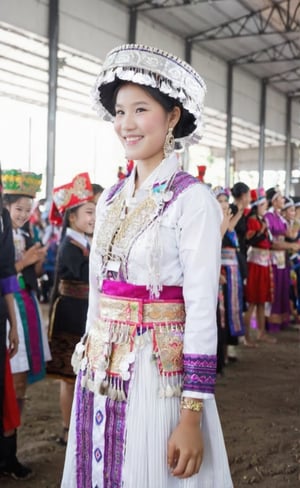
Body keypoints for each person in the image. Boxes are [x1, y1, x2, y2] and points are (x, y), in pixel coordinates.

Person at [62, 44, 232, 487]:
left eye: (140, 109)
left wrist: (192, 412)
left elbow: (200, 309)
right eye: (120, 112)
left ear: (172, 116)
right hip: (100, 370)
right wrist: (88, 356)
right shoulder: (112, 197)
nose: (126, 124)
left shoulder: (191, 199)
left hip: (158, 376)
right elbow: (99, 291)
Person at [47, 173, 96, 446]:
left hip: (82, 310)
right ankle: (68, 429)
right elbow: (89, 273)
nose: (93, 218)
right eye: (89, 212)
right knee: (69, 376)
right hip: (70, 314)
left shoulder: (84, 242)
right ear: (72, 217)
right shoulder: (69, 245)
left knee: (80, 374)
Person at [2, 169, 51, 416]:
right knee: (12, 372)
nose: (23, 214)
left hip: (27, 301)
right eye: (18, 209)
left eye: (27, 209)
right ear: (6, 207)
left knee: (21, 379)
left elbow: (35, 272)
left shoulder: (26, 233)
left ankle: (13, 434)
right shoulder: (3, 235)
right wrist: (24, 262)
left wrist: (39, 259)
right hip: (9, 305)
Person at [0, 168, 32, 480]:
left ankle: (7, 458)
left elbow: (7, 276)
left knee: (5, 390)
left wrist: (12, 324)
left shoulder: (2, 222)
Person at [214, 186, 245, 365]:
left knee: (227, 313)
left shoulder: (225, 221)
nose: (224, 204)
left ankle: (225, 353)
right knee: (220, 315)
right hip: (220, 271)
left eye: (226, 201)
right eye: (220, 201)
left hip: (230, 271)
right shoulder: (212, 222)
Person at [264, 188, 300, 332]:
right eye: (281, 198)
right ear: (274, 200)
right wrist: (291, 245)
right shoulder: (268, 216)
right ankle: (271, 323)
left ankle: (281, 321)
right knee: (274, 289)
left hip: (282, 258)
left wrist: (296, 220)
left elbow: (290, 235)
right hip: (273, 258)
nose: (283, 200)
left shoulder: (280, 217)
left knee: (283, 288)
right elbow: (272, 242)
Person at [243, 189, 274, 344]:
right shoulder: (252, 221)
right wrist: (261, 231)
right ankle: (247, 336)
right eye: (263, 205)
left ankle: (261, 332)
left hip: (263, 262)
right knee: (253, 301)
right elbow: (252, 240)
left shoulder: (261, 220)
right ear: (257, 206)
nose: (265, 207)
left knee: (262, 300)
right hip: (255, 263)